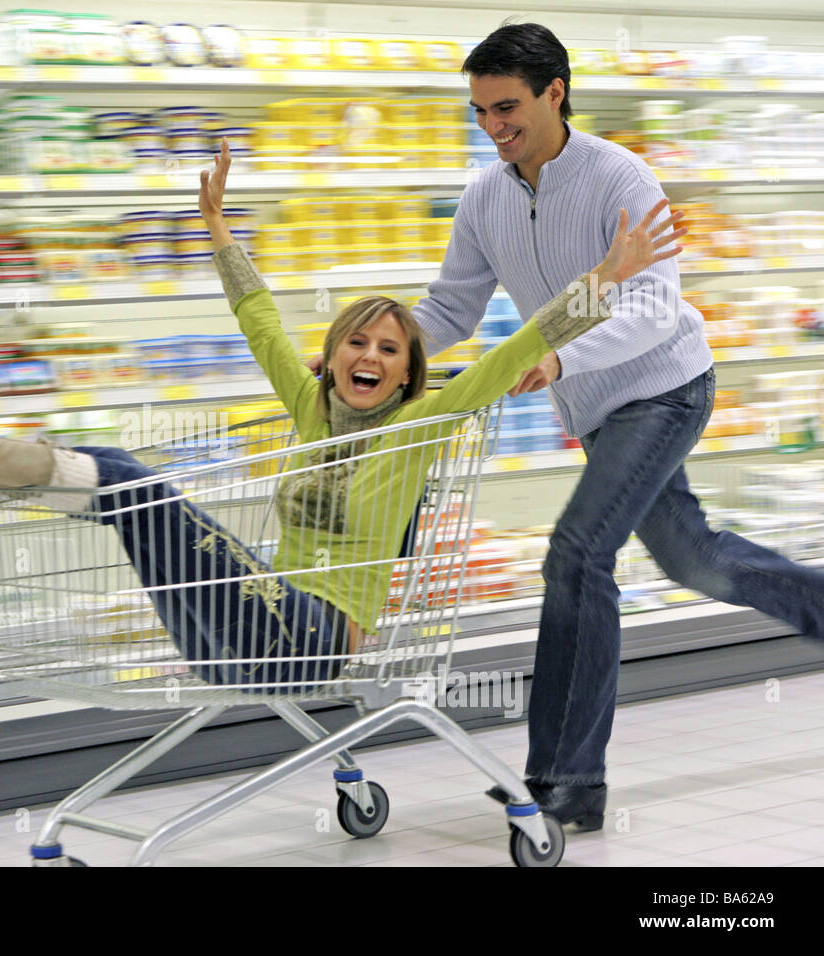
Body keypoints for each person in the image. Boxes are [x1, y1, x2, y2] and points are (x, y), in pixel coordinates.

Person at [0, 137, 683, 697]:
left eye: (393, 349)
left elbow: (518, 348)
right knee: (122, 486)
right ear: (336, 354)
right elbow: (259, 322)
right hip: (246, 624)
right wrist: (217, 228)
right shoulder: (311, 407)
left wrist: (606, 276)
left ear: (409, 373)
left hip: (316, 634)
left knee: (126, 479)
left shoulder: (428, 426)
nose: (372, 357)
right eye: (357, 342)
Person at [351, 21, 824, 829]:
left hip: (665, 389)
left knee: (576, 553)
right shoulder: (485, 195)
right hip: (598, 410)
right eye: (480, 112)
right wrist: (375, 351)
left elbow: (653, 307)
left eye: (508, 108)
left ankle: (568, 783)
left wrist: (565, 359)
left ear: (554, 93)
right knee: (696, 561)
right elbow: (452, 307)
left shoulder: (621, 178)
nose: (494, 127)